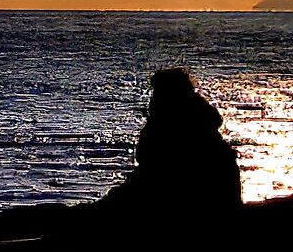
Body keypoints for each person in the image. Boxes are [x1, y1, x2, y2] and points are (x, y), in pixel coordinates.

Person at [104, 68, 242, 222]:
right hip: (221, 199)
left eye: (156, 94)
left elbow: (147, 161)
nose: (152, 99)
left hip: (190, 199)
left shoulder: (168, 126)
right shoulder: (203, 122)